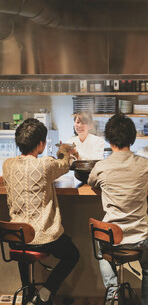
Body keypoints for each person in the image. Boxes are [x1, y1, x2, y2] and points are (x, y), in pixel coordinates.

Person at [2, 118, 79, 305]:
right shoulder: (45, 164)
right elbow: (64, 164)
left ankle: (27, 292)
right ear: (41, 144)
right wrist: (65, 151)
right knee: (72, 254)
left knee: (22, 240)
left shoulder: (7, 165)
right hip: (43, 238)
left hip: (15, 238)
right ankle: (44, 293)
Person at [88, 114, 148, 305]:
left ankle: (113, 294)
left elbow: (91, 182)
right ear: (132, 138)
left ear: (108, 139)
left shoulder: (101, 167)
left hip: (112, 237)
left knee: (100, 246)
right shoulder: (145, 165)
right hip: (140, 236)